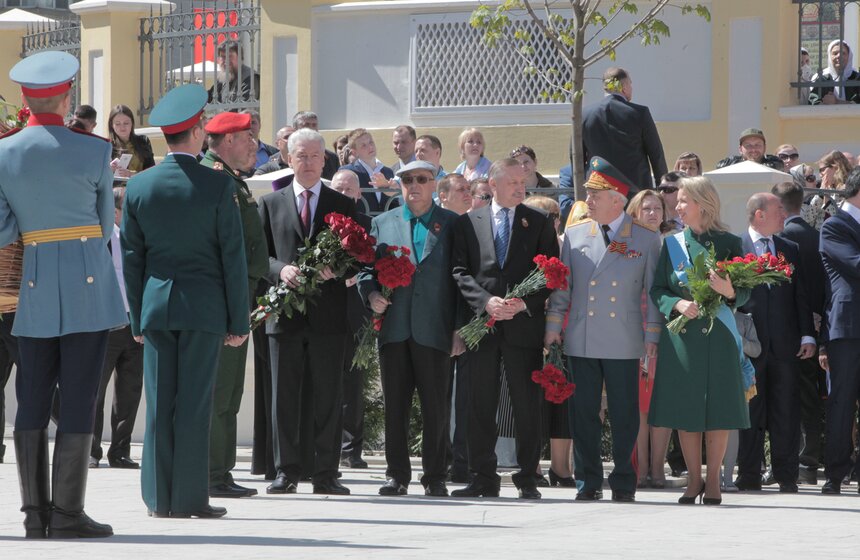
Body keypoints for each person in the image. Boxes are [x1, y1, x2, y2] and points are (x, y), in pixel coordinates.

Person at [0, 51, 128, 539]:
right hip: (86, 285)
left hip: (32, 282)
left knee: (30, 398)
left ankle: (35, 516)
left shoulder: (5, 152)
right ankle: (69, 514)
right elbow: (102, 227)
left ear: (25, 98)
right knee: (78, 398)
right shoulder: (93, 150)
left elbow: (2, 228)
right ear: (66, 94)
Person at [122, 84, 250, 519]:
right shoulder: (217, 186)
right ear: (196, 132)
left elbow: (132, 260)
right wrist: (239, 320)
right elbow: (232, 258)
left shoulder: (139, 187)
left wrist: (137, 319)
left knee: (159, 405)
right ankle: (191, 499)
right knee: (195, 405)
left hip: (157, 307)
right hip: (204, 311)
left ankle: (159, 499)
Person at [545, 157, 662, 502]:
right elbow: (563, 288)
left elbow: (652, 292)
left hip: (623, 339)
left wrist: (652, 336)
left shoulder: (644, 238)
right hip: (581, 337)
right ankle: (588, 480)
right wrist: (553, 328)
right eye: (589, 195)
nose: (589, 201)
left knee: (625, 414)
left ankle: (624, 480)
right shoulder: (577, 234)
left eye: (596, 195)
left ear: (617, 199)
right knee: (583, 414)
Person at [451, 158, 559, 500]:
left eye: (522, 181)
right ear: (493, 185)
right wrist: (486, 302)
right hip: (482, 328)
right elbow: (459, 272)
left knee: (526, 406)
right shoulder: (469, 222)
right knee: (479, 404)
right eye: (512, 182)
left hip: (522, 328)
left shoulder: (538, 222)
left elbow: (551, 274)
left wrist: (524, 304)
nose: (520, 187)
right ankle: (483, 476)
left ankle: (528, 478)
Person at [258, 128, 357, 496]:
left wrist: (339, 269)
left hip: (328, 317)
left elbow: (355, 257)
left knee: (329, 396)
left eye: (316, 156)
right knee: (284, 396)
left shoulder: (342, 204)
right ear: (288, 158)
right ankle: (286, 470)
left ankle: (326, 473)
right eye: (302, 155)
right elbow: (260, 258)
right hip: (284, 316)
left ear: (325, 160)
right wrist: (280, 270)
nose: (309, 162)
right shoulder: (270, 204)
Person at [359, 160, 463, 497]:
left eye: (422, 179)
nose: (414, 185)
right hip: (395, 327)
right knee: (396, 406)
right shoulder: (383, 223)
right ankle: (397, 475)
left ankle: (435, 476)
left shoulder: (452, 224)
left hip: (435, 328)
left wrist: (460, 329)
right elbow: (366, 270)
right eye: (406, 180)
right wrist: (372, 293)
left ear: (435, 184)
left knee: (436, 407)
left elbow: (462, 280)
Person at [648, 176, 751, 506]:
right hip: (684, 336)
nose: (677, 207)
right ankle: (694, 480)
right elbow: (658, 290)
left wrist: (730, 291)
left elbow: (746, 290)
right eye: (676, 201)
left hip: (719, 336)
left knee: (718, 408)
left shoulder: (731, 242)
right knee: (687, 409)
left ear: (703, 204)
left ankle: (715, 482)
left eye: (683, 201)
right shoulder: (672, 244)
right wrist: (677, 304)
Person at [200, 112, 269, 499]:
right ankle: (212, 472)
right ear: (227, 141)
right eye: (248, 139)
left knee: (229, 393)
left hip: (240, 295)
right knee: (220, 390)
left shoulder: (231, 180)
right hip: (226, 299)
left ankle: (220, 471)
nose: (253, 146)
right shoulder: (216, 180)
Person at [735, 193, 815, 493]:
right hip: (750, 346)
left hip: (786, 345)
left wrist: (808, 334)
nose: (785, 214)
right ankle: (749, 475)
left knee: (786, 411)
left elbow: (801, 295)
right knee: (750, 411)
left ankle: (786, 475)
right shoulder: (736, 246)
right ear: (759, 214)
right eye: (778, 209)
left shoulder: (789, 248)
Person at [772, 181, 827, 485]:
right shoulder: (818, 236)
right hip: (817, 328)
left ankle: (790, 460)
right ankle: (809, 461)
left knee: (784, 399)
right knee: (811, 398)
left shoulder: (780, 239)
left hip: (787, 330)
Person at [89, 188, 144, 470]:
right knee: (94, 390)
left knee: (130, 390)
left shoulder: (142, 238)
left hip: (135, 323)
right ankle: (91, 449)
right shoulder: (101, 238)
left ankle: (120, 451)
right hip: (105, 322)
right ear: (116, 211)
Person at [523, 194, 574, 487]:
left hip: (563, 332)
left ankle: (561, 468)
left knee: (562, 399)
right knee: (533, 403)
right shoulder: (524, 247)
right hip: (530, 330)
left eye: (549, 217)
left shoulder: (567, 247)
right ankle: (534, 467)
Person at [625, 189, 672, 488]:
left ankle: (658, 468)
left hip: (668, 334)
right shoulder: (627, 243)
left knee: (663, 403)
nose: (653, 213)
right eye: (646, 208)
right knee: (641, 404)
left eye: (658, 208)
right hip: (636, 333)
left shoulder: (670, 243)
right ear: (634, 212)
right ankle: (640, 468)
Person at [819, 167, 860, 494]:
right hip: (847, 327)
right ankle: (835, 473)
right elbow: (855, 264)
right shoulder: (834, 226)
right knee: (842, 401)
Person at [329, 170, 372, 470]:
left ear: (359, 194)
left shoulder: (369, 224)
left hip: (356, 311)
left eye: (349, 189)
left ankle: (350, 449)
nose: (344, 192)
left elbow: (371, 260)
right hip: (324, 312)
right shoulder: (323, 221)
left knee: (353, 384)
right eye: (338, 188)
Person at [582, 67, 667, 195]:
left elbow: (577, 155)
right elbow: (656, 153)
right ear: (624, 86)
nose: (632, 88)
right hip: (634, 189)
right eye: (630, 83)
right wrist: (663, 186)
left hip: (598, 188)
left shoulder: (584, 115)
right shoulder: (639, 113)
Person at [340, 128, 397, 214]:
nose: (370, 147)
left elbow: (394, 202)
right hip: (360, 224)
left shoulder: (388, 171)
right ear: (355, 152)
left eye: (371, 142)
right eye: (363, 145)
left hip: (385, 224)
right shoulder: (347, 172)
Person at [107, 105, 155, 178]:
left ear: (132, 123)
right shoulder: (107, 145)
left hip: (139, 186)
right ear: (111, 125)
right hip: (115, 188)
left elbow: (151, 170)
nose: (122, 127)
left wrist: (132, 174)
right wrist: (107, 170)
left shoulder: (143, 141)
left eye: (126, 123)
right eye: (117, 124)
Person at [208, 39, 260, 104]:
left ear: (240, 57)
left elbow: (246, 108)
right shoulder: (221, 79)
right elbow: (209, 97)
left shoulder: (250, 77)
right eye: (223, 57)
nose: (226, 60)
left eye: (230, 56)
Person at [809, 40, 860, 105]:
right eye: (835, 53)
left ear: (849, 57)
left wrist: (837, 102)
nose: (839, 56)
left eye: (843, 53)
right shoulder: (823, 80)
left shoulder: (857, 78)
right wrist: (823, 103)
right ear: (830, 57)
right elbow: (813, 101)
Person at [291, 111, 339, 179]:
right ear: (295, 129)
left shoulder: (332, 158)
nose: (311, 129)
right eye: (306, 125)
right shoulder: (283, 157)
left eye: (314, 125)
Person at [716, 128, 783, 169]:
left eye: (757, 145)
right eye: (748, 145)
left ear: (765, 148)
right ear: (740, 149)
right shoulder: (729, 163)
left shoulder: (774, 163)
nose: (753, 149)